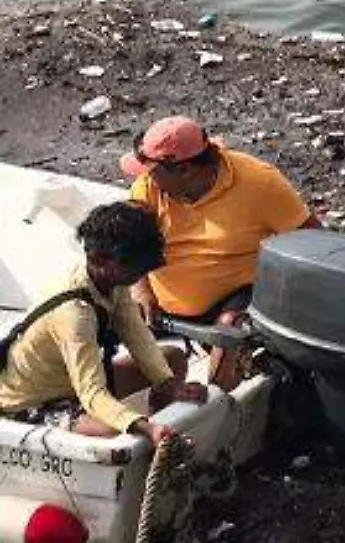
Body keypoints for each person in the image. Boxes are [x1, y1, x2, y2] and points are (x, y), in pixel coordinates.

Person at [124, 117, 319, 391]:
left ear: (184, 169)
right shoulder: (148, 187)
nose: (146, 177)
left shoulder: (258, 182)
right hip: (162, 308)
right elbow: (128, 242)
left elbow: (313, 241)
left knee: (230, 333)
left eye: (153, 171)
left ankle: (224, 409)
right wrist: (142, 291)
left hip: (236, 296)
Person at [0, 203, 205, 444]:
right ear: (99, 259)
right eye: (135, 268)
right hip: (34, 401)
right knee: (112, 432)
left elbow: (138, 338)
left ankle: (162, 442)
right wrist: (140, 425)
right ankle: (152, 435)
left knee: (172, 359)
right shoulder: (74, 313)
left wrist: (168, 385)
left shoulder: (112, 281)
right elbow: (91, 392)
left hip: (73, 383)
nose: (140, 276)